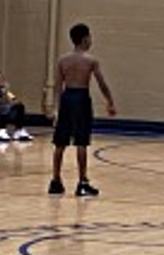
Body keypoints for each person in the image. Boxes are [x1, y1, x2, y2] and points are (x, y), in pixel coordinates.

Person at [50, 23, 117, 197]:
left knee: (60, 142)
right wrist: (110, 101)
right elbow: (102, 83)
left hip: (66, 98)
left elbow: (57, 86)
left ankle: (55, 181)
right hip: (81, 98)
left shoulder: (63, 60)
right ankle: (82, 182)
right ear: (85, 39)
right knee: (81, 142)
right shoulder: (90, 60)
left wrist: (56, 108)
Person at [0, 71, 32, 142]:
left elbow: (14, 101)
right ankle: (1, 131)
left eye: (2, 79)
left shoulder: (5, 91)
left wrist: (11, 100)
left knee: (20, 106)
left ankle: (19, 130)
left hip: (4, 112)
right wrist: (5, 95)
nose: (1, 81)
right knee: (5, 107)